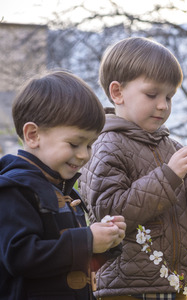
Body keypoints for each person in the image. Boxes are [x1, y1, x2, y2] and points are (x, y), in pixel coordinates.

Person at [79, 37, 187, 300]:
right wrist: (168, 176)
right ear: (117, 92)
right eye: (152, 94)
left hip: (174, 283)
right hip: (125, 289)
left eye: (169, 96)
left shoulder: (173, 148)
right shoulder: (104, 145)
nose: (163, 105)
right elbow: (110, 213)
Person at [0, 70, 126, 300]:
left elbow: (67, 263)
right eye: (75, 143)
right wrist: (86, 241)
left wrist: (104, 244)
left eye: (89, 145)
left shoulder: (64, 190)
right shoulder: (14, 190)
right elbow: (20, 257)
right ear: (33, 135)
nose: (83, 155)